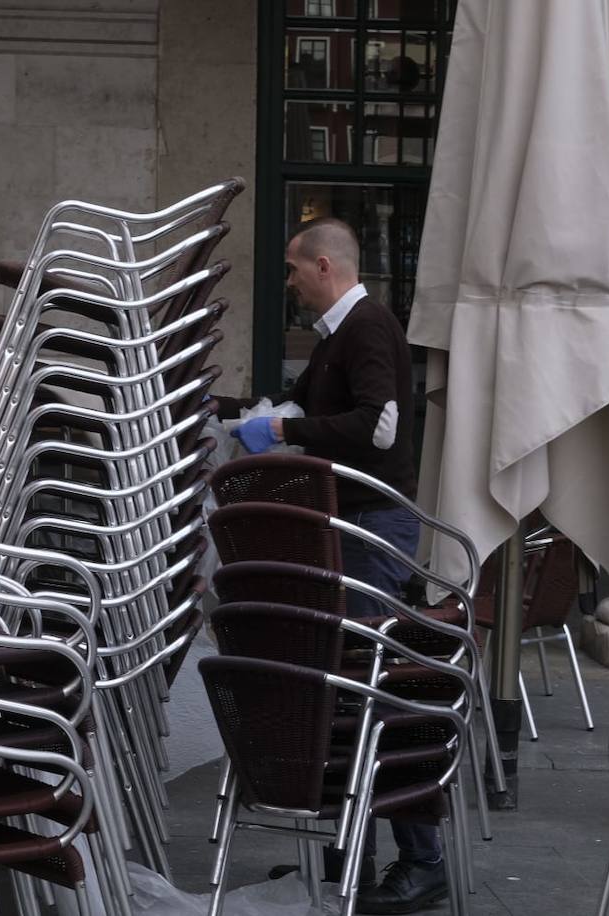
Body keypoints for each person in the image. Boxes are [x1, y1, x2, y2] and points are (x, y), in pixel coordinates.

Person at [217, 218, 445, 914]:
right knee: (344, 688)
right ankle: (350, 857)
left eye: (291, 269)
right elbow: (306, 406)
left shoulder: (369, 326)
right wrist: (227, 414)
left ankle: (421, 861)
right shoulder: (338, 338)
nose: (287, 283)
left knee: (369, 686)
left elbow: (378, 426)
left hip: (373, 527)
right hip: (349, 524)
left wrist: (280, 430)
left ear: (324, 266)